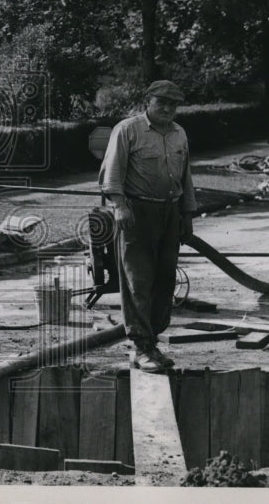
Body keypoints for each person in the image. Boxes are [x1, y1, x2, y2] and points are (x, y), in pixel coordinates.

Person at [99, 80, 197, 372]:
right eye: (161, 102)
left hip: (170, 213)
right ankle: (141, 347)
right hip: (136, 212)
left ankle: (151, 343)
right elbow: (111, 172)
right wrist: (119, 205)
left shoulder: (179, 133)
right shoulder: (128, 129)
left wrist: (187, 215)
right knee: (138, 281)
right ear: (148, 102)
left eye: (173, 104)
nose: (167, 108)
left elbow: (186, 176)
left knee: (165, 280)